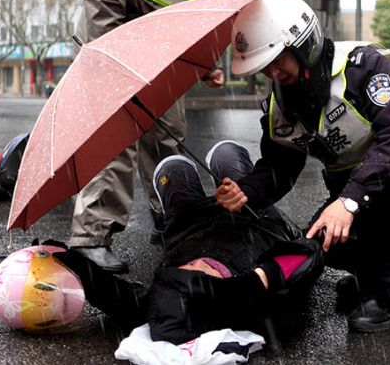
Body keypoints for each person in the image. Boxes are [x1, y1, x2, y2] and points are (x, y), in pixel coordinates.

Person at [215, 0, 390, 332]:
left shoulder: (364, 67)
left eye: (278, 59)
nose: (273, 72)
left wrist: (348, 202)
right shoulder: (282, 107)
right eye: (265, 66)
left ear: (302, 44)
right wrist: (245, 191)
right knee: (318, 241)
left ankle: (389, 294)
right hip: (367, 195)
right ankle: (372, 274)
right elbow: (279, 169)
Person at [69, 0, 256, 272]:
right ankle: (90, 239)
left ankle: (171, 215)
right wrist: (106, 54)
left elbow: (198, 14)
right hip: (119, 45)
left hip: (161, 55)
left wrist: (208, 64)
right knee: (114, 141)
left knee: (168, 137)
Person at [57, 141, 324, 345]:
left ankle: (183, 177)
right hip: (254, 218)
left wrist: (60, 255)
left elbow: (108, 292)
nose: (192, 266)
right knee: (227, 156)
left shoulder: (158, 306)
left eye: (179, 273)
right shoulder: (254, 299)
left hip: (190, 224)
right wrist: (262, 279)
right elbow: (310, 252)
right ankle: (230, 165)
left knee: (172, 168)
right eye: (198, 276)